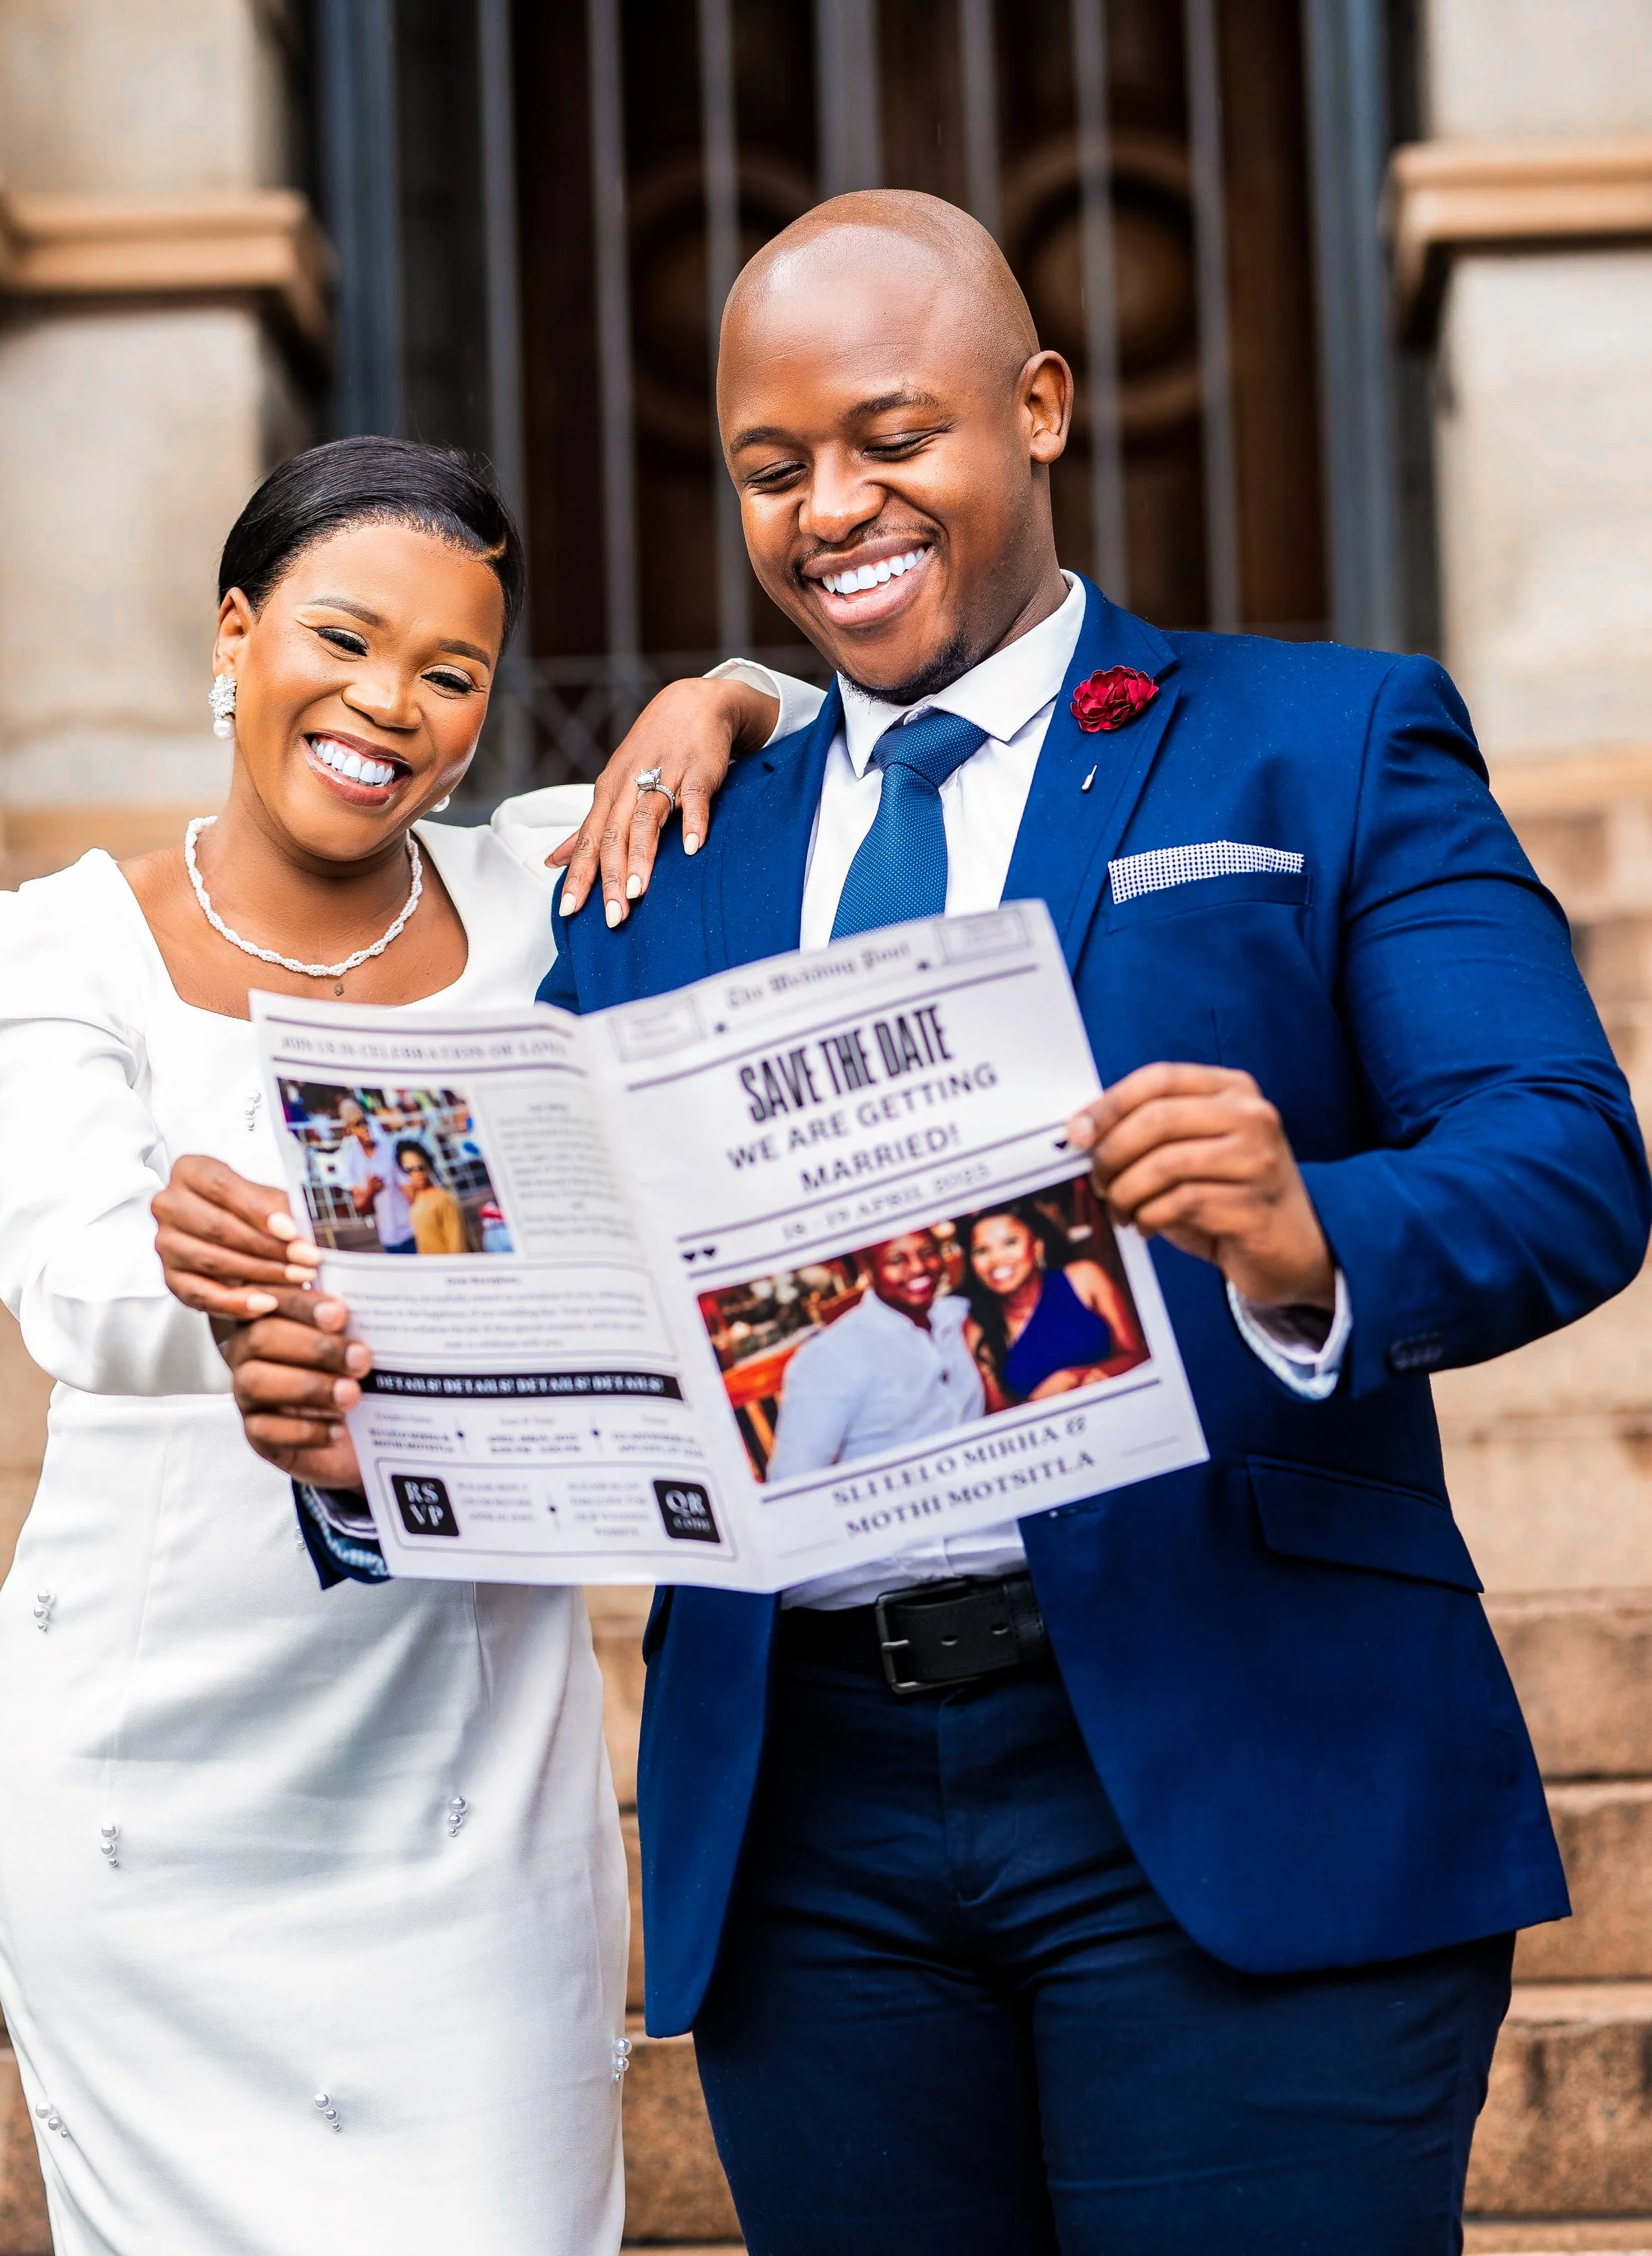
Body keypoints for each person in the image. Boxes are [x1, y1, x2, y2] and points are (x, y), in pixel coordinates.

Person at [189, 193, 1648, 2254]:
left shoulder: (1318, 740)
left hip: (1241, 1748)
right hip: (811, 1823)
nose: (831, 509)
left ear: (1039, 406)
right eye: (773, 468)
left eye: (893, 436)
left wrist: (1305, 1225)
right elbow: (578, 1323)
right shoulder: (662, 847)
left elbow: (1562, 1157)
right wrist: (372, 1432)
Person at [0, 434, 787, 2256]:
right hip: (154, 1783)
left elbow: (824, 736)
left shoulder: (543, 896)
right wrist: (208, 1305)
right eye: (344, 639)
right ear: (237, 633)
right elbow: (72, 1269)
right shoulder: (65, 950)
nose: (391, 705)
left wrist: (723, 693)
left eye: (451, 674)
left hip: (465, 1784)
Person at [764, 1229, 984, 1481]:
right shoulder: (830, 1356)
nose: (918, 1268)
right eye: (896, 1261)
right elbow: (793, 1479)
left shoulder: (958, 1314)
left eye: (927, 1253)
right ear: (868, 1270)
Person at [958, 1201, 1142, 1406]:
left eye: (1010, 1242)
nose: (996, 1259)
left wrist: (1074, 1377)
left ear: (1037, 1247)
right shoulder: (977, 1325)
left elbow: (1137, 1355)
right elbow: (1001, 1415)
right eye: (982, 1251)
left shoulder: (1084, 1278)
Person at [333, 1095, 413, 1251]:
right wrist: (370, 1190)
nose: (365, 1127)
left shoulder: (389, 1149)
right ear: (350, 1129)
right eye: (358, 1124)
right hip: (388, 1236)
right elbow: (361, 1207)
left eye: (365, 1122)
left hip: (411, 1229)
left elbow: (409, 1189)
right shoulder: (351, 1159)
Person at [393, 1138, 468, 1255]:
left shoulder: (443, 1198)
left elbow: (458, 1243)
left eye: (420, 1167)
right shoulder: (418, 1201)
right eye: (409, 1170)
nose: (416, 1173)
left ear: (428, 1165)